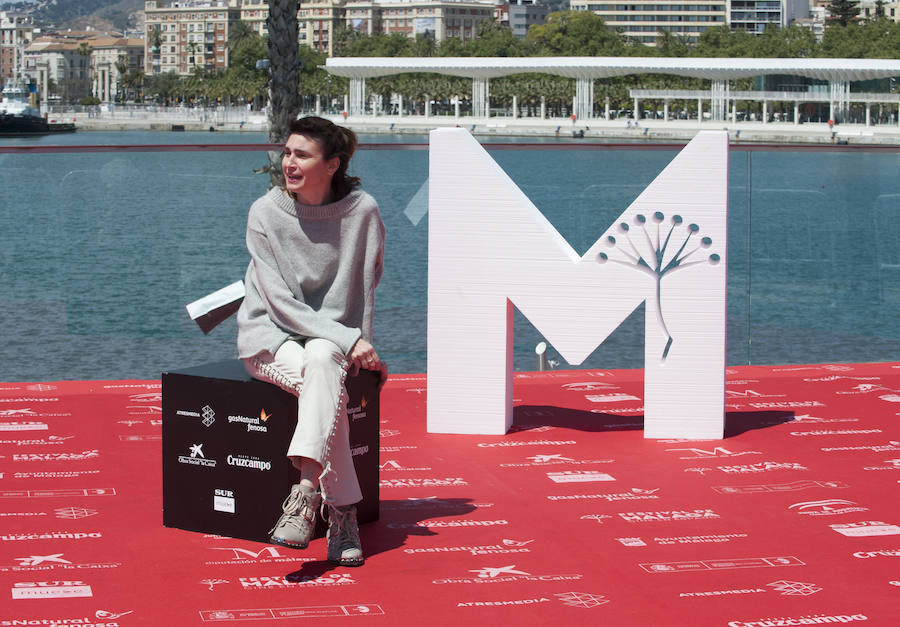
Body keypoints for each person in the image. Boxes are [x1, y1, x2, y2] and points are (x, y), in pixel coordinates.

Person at [236, 116, 386, 567]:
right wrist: (351, 339)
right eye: (287, 153)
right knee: (324, 374)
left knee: (322, 360)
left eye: (302, 155)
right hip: (271, 334)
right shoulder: (265, 213)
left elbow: (366, 287)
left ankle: (304, 492)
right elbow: (279, 304)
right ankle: (341, 515)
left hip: (329, 344)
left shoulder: (363, 213)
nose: (288, 162)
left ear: (333, 165)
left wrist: (357, 342)